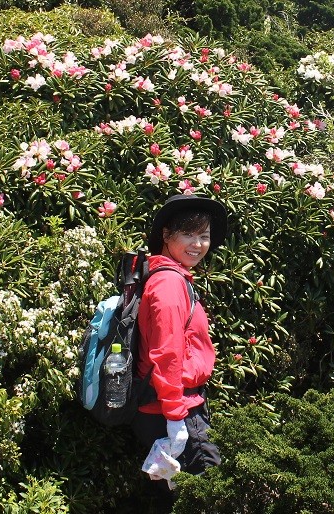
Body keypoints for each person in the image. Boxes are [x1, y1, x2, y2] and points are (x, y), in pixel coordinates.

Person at [129, 194, 227, 510]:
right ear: (167, 236)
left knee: (175, 500)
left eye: (204, 235)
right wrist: (175, 418)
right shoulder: (169, 283)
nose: (197, 244)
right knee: (208, 497)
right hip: (173, 410)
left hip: (171, 407)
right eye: (188, 233)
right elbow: (166, 354)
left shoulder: (171, 276)